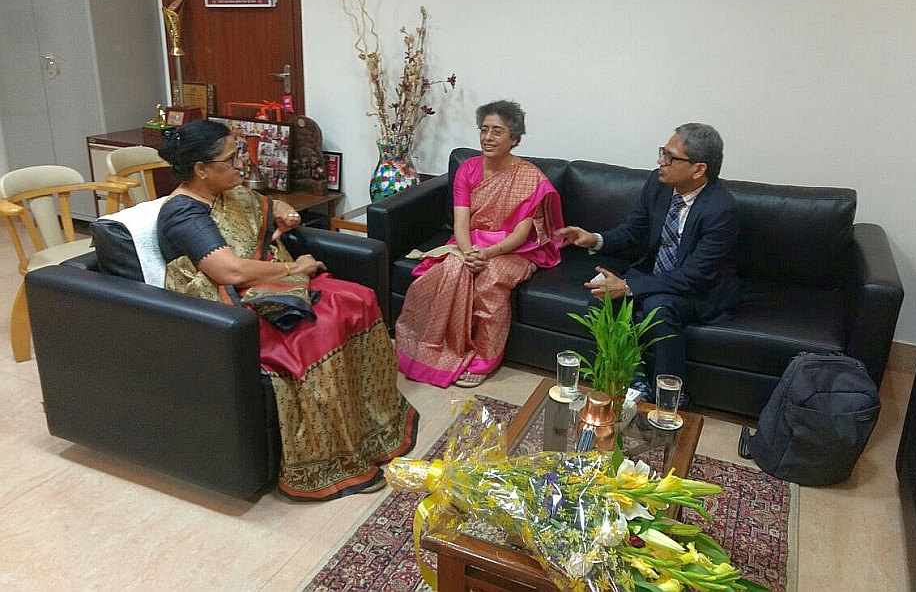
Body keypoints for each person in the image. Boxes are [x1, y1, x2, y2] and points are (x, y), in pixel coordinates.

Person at [156, 120, 418, 501]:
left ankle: (373, 429)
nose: (242, 164)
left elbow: (257, 208)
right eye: (231, 159)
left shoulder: (225, 192)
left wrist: (279, 206)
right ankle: (331, 459)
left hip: (271, 285)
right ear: (201, 169)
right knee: (319, 328)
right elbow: (230, 271)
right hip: (235, 306)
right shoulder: (183, 214)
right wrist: (293, 268)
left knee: (359, 299)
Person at [555, 123, 740, 404]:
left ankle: (670, 397)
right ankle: (634, 379)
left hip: (700, 291)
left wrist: (629, 286)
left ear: (698, 169)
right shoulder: (658, 184)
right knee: (602, 295)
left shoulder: (721, 209)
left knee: (658, 307)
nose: (660, 161)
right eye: (662, 153)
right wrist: (594, 238)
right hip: (655, 275)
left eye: (670, 157)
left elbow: (695, 275)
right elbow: (634, 231)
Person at [394, 101, 564, 389]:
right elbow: (461, 222)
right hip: (470, 243)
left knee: (489, 280)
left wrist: (488, 253)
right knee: (447, 271)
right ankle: (440, 349)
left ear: (514, 139)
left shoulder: (530, 178)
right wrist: (467, 251)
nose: (488, 137)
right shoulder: (468, 169)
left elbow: (521, 234)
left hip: (515, 249)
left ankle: (486, 358)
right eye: (484, 130)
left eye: (497, 131)